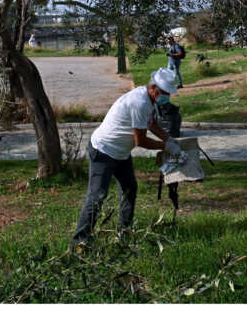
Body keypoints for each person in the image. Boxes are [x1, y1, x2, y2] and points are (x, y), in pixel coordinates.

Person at [71, 67, 181, 246]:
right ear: (153, 88)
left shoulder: (148, 99)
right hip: (103, 151)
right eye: (164, 93)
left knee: (129, 188)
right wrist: (165, 146)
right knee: (97, 196)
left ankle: (124, 233)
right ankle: (79, 243)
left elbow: (151, 124)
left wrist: (169, 140)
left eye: (168, 94)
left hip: (120, 153)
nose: (166, 97)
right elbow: (141, 140)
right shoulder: (140, 102)